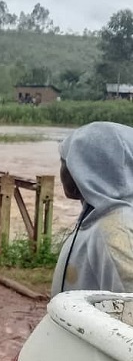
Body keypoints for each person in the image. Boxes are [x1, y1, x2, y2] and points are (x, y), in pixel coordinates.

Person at [51, 121, 133, 297]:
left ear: (87, 168)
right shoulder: (98, 218)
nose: (62, 170)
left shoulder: (113, 232)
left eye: (65, 161)